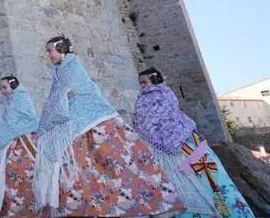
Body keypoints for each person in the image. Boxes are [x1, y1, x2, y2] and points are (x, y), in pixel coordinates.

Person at [33, 35, 184, 216]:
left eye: (50, 50)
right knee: (89, 171)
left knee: (112, 163)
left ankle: (141, 202)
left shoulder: (72, 68)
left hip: (94, 122)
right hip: (79, 125)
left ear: (61, 49)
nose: (48, 54)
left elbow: (80, 94)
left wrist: (65, 115)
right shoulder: (60, 71)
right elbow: (58, 100)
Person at [134, 68, 255, 217]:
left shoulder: (164, 95)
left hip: (184, 148)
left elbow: (168, 117)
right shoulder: (143, 100)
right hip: (161, 151)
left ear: (154, 80)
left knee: (207, 184)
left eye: (145, 82)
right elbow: (142, 124)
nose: (143, 87)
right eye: (140, 83)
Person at [0, 76, 39, 217]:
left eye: (4, 87)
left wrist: (12, 136)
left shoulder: (21, 99)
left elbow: (25, 120)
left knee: (21, 174)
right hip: (11, 143)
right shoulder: (10, 101)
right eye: (1, 88)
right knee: (3, 176)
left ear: (13, 86)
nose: (2, 91)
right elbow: (6, 124)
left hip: (23, 142)